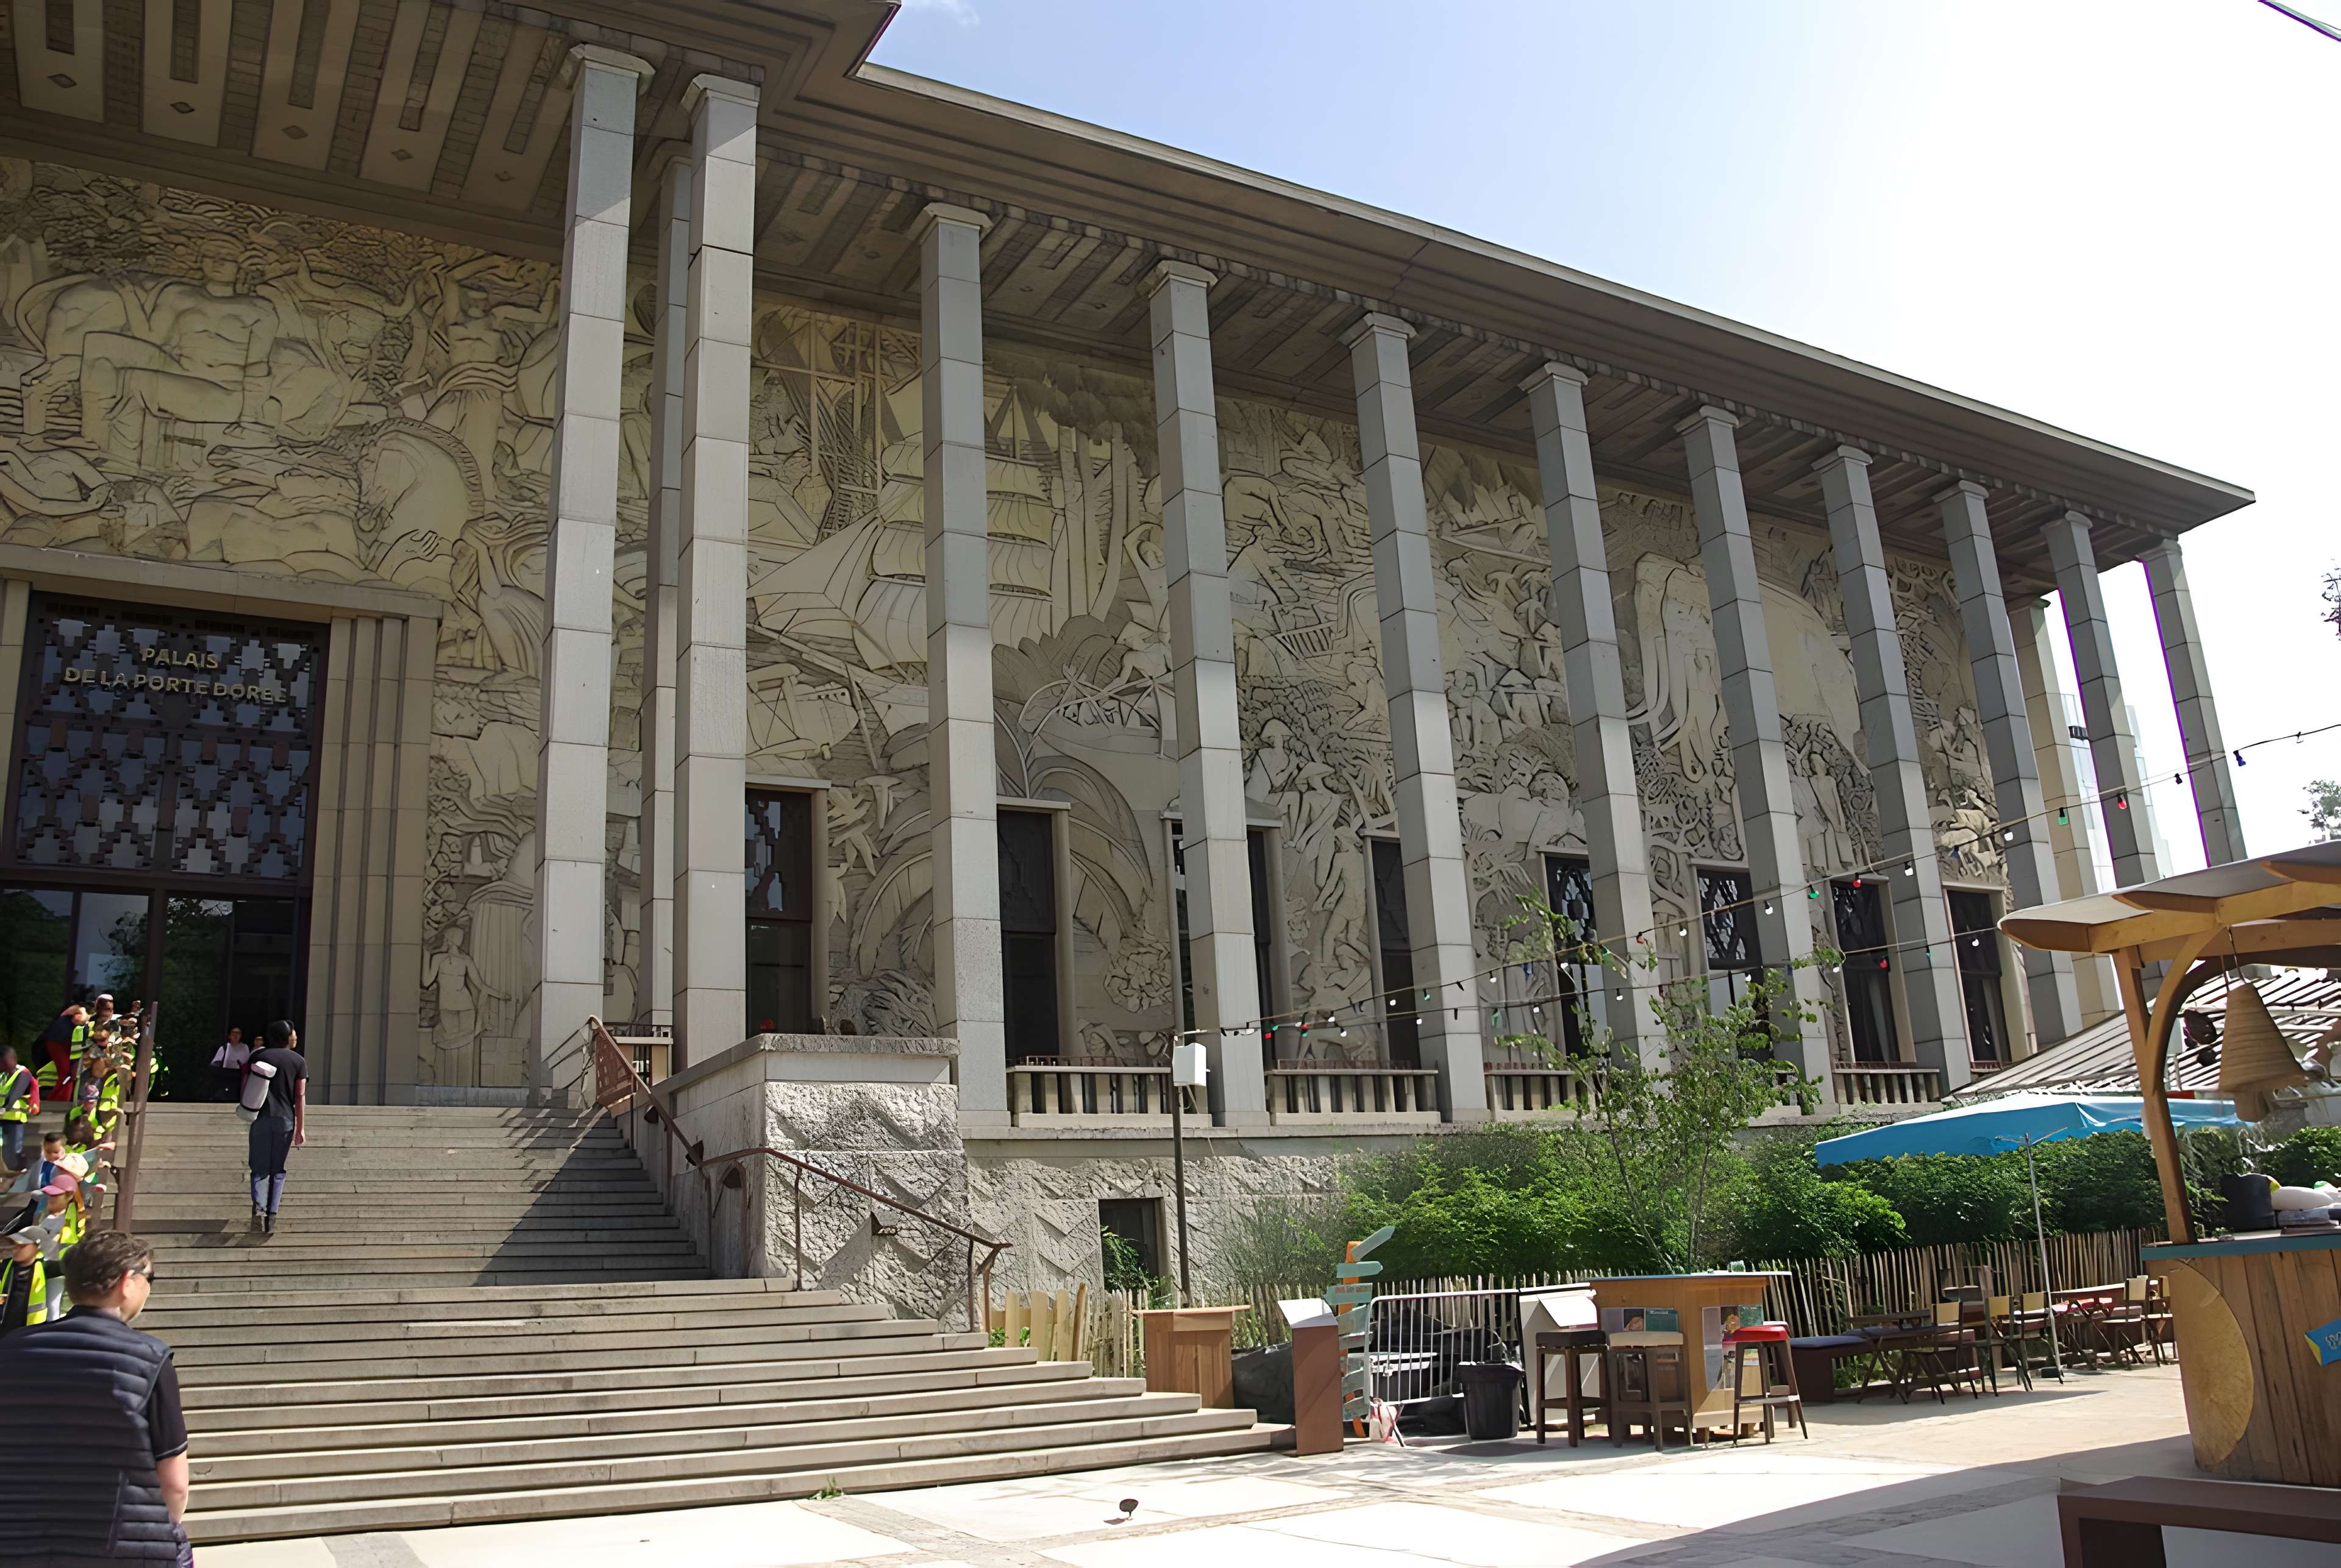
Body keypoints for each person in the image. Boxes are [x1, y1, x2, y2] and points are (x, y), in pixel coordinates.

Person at [0, 1230, 192, 1564]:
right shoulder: (149, 1358)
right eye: (149, 1277)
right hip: (123, 1548)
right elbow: (174, 1483)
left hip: (21, 1544)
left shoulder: (12, 1350)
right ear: (126, 1282)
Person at [245, 1020, 305, 1235]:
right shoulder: (298, 1061)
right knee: (278, 1168)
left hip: (260, 1118)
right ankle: (272, 1216)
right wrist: (300, 1128)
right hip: (285, 1120)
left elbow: (246, 1085)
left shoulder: (258, 1056)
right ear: (287, 1037)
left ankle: (259, 1211)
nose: (296, 1035)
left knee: (260, 1168)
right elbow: (299, 1096)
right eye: (293, 1032)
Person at [38, 1001, 88, 1093]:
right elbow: (80, 1019)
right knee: (65, 1073)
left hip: (65, 1044)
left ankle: (59, 1097)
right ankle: (56, 1098)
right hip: (56, 1042)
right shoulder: (74, 1012)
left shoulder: (73, 1021)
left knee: (69, 1074)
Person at [0, 1046, 34, 1174]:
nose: (2, 1065)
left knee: (14, 1150)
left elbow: (15, 1094)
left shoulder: (23, 1074)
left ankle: (21, 1173)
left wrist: (5, 1108)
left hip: (15, 1119)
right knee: (4, 1150)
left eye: (4, 1062)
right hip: (2, 1119)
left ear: (14, 1059)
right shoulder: (3, 1075)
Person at [210, 1027, 249, 1102]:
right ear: (230, 1036)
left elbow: (246, 1062)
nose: (236, 1036)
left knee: (235, 1095)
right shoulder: (224, 1048)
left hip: (238, 1075)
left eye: (238, 1034)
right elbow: (216, 1062)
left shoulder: (245, 1048)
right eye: (234, 1034)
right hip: (225, 1074)